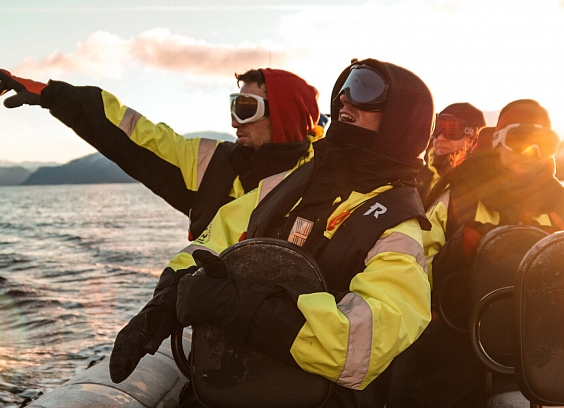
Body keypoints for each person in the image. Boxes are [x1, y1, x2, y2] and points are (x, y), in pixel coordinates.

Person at [109, 59, 435, 408]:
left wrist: (236, 305)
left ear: (402, 118)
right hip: (232, 384)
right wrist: (166, 299)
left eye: (365, 90)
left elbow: (359, 345)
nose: (345, 98)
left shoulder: (400, 227)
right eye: (344, 87)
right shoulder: (288, 182)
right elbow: (218, 236)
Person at [0, 67, 324, 241]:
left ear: (286, 115)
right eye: (234, 106)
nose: (235, 120)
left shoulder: (324, 185)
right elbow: (131, 131)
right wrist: (53, 95)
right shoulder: (209, 162)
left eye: (247, 108)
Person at [399, 99, 564, 408]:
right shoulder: (459, 192)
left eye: (543, 143)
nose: (531, 151)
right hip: (458, 344)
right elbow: (412, 267)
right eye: (519, 139)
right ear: (497, 140)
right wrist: (456, 254)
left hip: (542, 350)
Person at [417, 103, 487, 199]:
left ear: (472, 138)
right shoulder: (418, 177)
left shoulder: (479, 185)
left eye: (452, 130)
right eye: (436, 129)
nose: (440, 138)